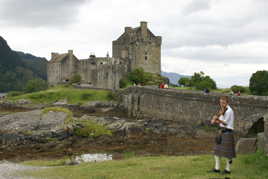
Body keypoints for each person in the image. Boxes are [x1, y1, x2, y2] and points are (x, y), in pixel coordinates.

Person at [210, 96, 236, 174]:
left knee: (228, 153)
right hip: (221, 132)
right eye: (220, 102)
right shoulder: (222, 110)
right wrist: (215, 119)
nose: (221, 104)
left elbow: (225, 123)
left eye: (223, 102)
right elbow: (220, 120)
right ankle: (217, 169)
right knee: (216, 151)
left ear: (227, 102)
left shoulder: (229, 111)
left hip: (228, 132)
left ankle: (228, 170)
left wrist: (216, 120)